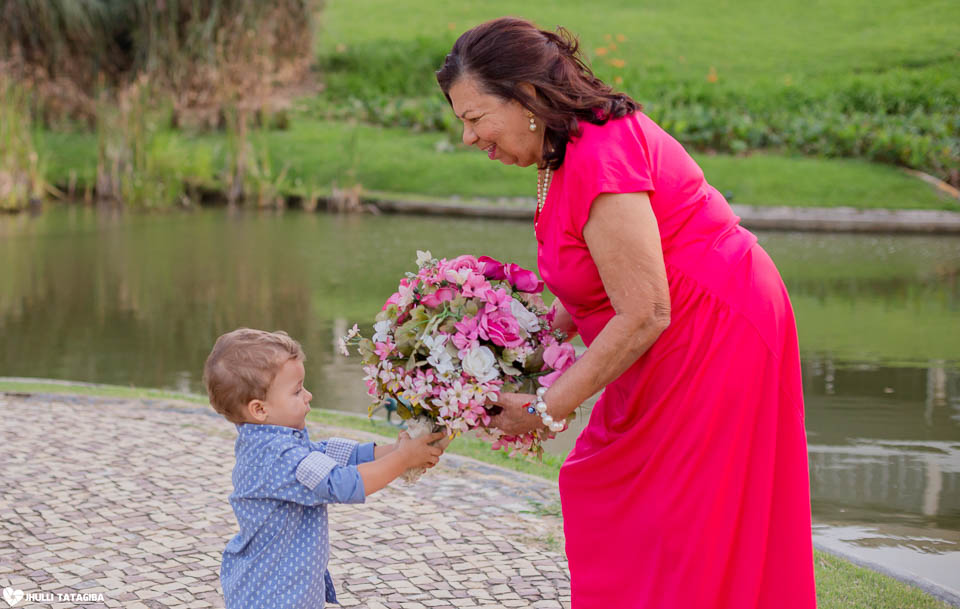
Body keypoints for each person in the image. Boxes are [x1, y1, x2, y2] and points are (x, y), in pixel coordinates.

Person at [437, 17, 817, 609]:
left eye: (474, 117)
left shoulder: (598, 154)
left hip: (715, 329)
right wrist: (514, 352)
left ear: (528, 97)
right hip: (669, 330)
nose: (468, 137)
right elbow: (590, 274)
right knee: (620, 494)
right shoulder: (557, 152)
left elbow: (644, 312)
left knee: (685, 520)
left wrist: (545, 409)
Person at [203, 328, 447, 609]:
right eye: (297, 391)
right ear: (259, 409)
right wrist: (402, 459)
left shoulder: (276, 441)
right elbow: (339, 483)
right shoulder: (276, 455)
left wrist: (399, 450)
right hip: (272, 593)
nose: (308, 395)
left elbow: (335, 455)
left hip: (286, 586)